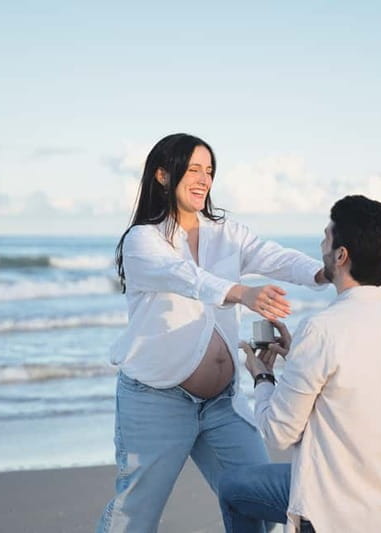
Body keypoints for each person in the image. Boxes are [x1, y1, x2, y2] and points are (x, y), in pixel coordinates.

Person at [97, 133, 329, 532]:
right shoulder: (142, 240)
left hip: (222, 404)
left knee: (256, 499)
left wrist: (323, 273)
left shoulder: (227, 234)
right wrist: (242, 293)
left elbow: (274, 256)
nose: (203, 179)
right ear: (163, 175)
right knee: (135, 515)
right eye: (193, 169)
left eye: (209, 171)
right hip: (157, 401)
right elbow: (184, 276)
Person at [218, 195, 381, 533]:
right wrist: (297, 357)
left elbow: (278, 433)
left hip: (327, 509)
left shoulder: (322, 329)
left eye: (326, 238)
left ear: (341, 255)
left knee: (231, 485)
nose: (321, 246)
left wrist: (264, 377)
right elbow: (357, 387)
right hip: (380, 503)